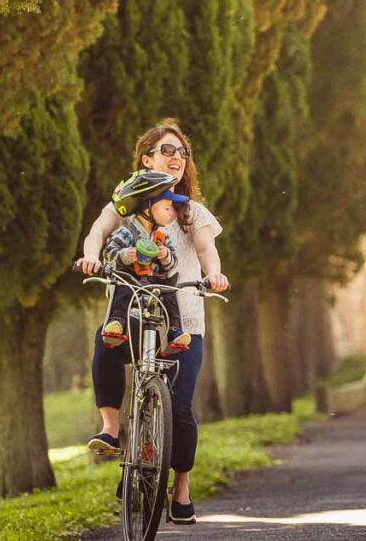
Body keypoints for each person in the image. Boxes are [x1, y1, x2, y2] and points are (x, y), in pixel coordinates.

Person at [75, 119, 229, 526]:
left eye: (182, 153)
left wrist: (214, 274)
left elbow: (207, 251)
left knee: (180, 408)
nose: (176, 158)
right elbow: (98, 232)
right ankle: (110, 430)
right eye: (167, 150)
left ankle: (181, 489)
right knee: (106, 346)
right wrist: (92, 255)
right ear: (146, 158)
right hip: (131, 315)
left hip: (183, 319)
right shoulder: (124, 204)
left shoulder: (189, 211)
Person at [99, 169, 192, 356]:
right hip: (133, 281)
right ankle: (117, 323)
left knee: (170, 290)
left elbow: (172, 264)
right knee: (123, 285)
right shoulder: (127, 232)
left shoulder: (161, 238)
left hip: (154, 282)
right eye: (167, 208)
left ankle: (174, 331)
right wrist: (126, 255)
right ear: (148, 208)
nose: (172, 213)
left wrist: (165, 255)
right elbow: (108, 253)